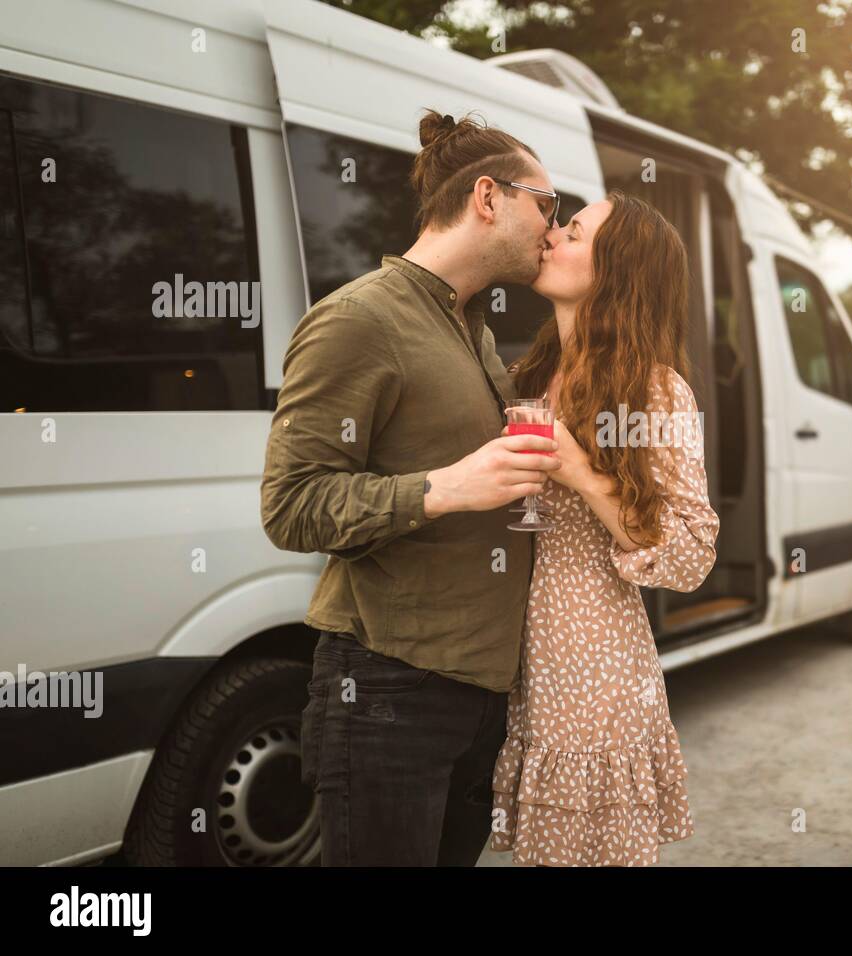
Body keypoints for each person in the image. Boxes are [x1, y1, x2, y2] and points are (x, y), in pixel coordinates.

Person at [260, 109, 563, 865]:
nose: (553, 230)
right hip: (387, 690)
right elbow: (291, 505)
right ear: (488, 198)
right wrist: (445, 488)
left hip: (478, 695)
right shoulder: (359, 319)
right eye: (546, 206)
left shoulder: (472, 328)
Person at [489, 190, 720, 866]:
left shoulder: (655, 391)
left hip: (593, 666)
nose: (552, 236)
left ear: (616, 270)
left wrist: (583, 474)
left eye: (575, 232)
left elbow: (689, 554)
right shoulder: (528, 376)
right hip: (519, 653)